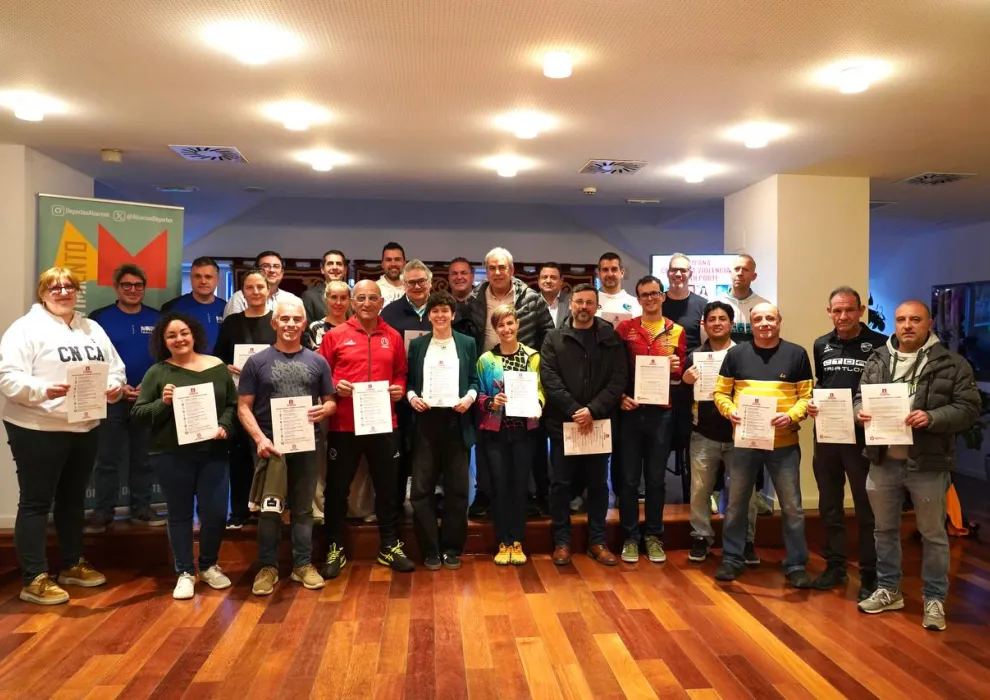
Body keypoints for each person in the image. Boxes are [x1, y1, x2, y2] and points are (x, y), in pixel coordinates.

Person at [0, 267, 125, 605]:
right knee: (36, 502)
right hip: (38, 427)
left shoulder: (92, 328)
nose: (62, 291)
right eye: (54, 287)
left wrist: (114, 387)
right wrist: (43, 390)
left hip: (84, 425)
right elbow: (8, 378)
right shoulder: (25, 329)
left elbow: (115, 368)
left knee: (73, 499)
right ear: (42, 293)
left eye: (69, 286)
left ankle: (71, 565)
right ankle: (34, 578)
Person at [855, 300, 980, 631]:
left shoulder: (952, 363)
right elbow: (859, 397)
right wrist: (858, 411)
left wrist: (933, 417)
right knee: (884, 530)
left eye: (915, 319)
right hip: (882, 460)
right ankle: (889, 590)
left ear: (929, 323)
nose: (907, 325)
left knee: (933, 534)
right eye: (901, 319)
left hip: (928, 463)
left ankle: (934, 599)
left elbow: (969, 409)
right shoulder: (878, 359)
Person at [131, 312, 237, 600]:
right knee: (179, 514)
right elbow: (139, 414)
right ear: (163, 341)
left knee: (215, 513)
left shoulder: (217, 367)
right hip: (171, 454)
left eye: (184, 333)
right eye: (171, 335)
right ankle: (185, 572)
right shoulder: (157, 373)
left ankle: (209, 565)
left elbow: (232, 404)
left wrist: (225, 426)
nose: (179, 339)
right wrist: (163, 403)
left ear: (194, 335)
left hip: (213, 452)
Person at [238, 299, 336, 597]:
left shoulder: (318, 362)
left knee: (304, 509)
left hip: (307, 445)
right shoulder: (257, 362)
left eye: (296, 319)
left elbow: (330, 402)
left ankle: (302, 564)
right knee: (270, 510)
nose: (290, 324)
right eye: (284, 319)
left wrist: (326, 410)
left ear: (304, 324)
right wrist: (260, 439)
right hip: (271, 449)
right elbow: (243, 407)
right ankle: (267, 567)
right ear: (274, 323)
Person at [712, 302, 813, 587]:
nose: (764, 323)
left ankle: (796, 564)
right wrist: (729, 410)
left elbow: (807, 397)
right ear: (751, 323)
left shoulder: (797, 354)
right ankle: (732, 558)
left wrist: (791, 416)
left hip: (784, 444)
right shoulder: (736, 354)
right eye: (758, 319)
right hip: (745, 442)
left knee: (792, 507)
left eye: (770, 318)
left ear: (780, 321)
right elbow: (721, 393)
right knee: (736, 504)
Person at [319, 280, 414, 578]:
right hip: (344, 425)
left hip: (384, 423)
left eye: (373, 298)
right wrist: (335, 385)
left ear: (381, 302)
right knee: (337, 489)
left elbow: (401, 372)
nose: (367, 303)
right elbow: (321, 375)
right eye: (360, 298)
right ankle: (335, 546)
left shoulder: (393, 336)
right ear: (352, 302)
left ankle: (389, 544)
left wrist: (399, 388)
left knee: (388, 488)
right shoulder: (335, 335)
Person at [806, 286, 887, 600]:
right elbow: (822, 383)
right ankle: (835, 565)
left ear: (861, 311)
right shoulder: (821, 344)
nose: (843, 316)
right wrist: (814, 402)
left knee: (866, 507)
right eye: (837, 311)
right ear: (829, 312)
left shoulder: (880, 344)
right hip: (827, 435)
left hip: (863, 437)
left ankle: (869, 572)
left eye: (849, 310)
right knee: (829, 503)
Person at [540, 284, 628, 567]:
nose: (584, 307)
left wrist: (593, 410)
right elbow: (549, 378)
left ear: (597, 306)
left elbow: (619, 378)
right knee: (560, 484)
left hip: (598, 424)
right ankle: (562, 542)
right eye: (579, 302)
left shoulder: (610, 337)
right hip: (564, 423)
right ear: (571, 304)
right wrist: (574, 410)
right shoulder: (554, 337)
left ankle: (597, 541)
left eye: (590, 303)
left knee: (599, 485)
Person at [463, 247, 553, 518]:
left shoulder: (532, 299)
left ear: (511, 270)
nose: (497, 272)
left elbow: (548, 336)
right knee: (487, 440)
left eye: (502, 267)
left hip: (524, 377)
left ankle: (529, 494)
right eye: (492, 268)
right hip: (488, 375)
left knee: (528, 440)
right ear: (486, 271)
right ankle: (485, 493)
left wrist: (537, 371)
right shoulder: (473, 300)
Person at [614, 276, 686, 564]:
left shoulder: (676, 331)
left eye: (654, 293)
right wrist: (620, 396)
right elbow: (615, 369)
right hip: (630, 412)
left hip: (661, 413)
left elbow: (679, 375)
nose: (650, 299)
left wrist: (677, 367)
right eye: (644, 295)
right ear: (638, 299)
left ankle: (654, 535)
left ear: (663, 296)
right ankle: (630, 537)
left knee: (656, 480)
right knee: (629, 480)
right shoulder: (625, 329)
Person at [86, 264, 163, 533]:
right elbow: (92, 358)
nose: (132, 290)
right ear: (116, 287)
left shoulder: (158, 318)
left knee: (143, 458)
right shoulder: (99, 319)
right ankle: (103, 511)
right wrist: (117, 387)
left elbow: (165, 357)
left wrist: (148, 387)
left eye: (138, 285)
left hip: (146, 399)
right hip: (110, 399)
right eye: (126, 285)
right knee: (107, 459)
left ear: (144, 288)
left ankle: (141, 508)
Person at [681, 301, 760, 564]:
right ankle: (701, 537)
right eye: (712, 319)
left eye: (722, 318)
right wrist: (685, 382)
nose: (717, 323)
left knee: (744, 493)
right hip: (703, 434)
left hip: (740, 435)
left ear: (731, 323)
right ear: (704, 324)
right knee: (699, 491)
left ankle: (745, 540)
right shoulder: (694, 357)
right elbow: (682, 399)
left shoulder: (746, 354)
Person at [406, 291, 479, 570]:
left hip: (456, 420)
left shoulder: (467, 343)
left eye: (444, 311)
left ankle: (451, 548)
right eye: (435, 311)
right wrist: (412, 397)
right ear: (429, 316)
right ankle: (430, 549)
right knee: (421, 489)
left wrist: (469, 398)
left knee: (457, 489)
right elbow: (410, 382)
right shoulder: (418, 345)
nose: (440, 315)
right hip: (426, 421)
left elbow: (473, 380)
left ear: (453, 314)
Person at [477, 304, 545, 565]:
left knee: (519, 487)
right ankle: (502, 541)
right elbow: (479, 394)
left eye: (509, 323)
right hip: (495, 433)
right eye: (500, 325)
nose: (506, 329)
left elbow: (541, 389)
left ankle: (517, 541)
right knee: (499, 487)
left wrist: (539, 404)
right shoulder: (486, 360)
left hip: (524, 433)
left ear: (518, 324)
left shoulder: (533, 357)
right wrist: (491, 402)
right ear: (495, 329)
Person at [213, 269, 277, 529]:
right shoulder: (232, 323)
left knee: (268, 456)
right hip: (239, 397)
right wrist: (226, 366)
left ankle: (267, 509)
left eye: (260, 287)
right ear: (242, 292)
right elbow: (218, 357)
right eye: (250, 288)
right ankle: (239, 510)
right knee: (238, 457)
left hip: (270, 400)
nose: (256, 292)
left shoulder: (277, 321)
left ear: (268, 290)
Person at [381, 259, 434, 508]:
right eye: (411, 282)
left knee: (431, 452)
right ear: (403, 285)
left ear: (430, 283)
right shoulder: (390, 313)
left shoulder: (442, 309)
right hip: (400, 395)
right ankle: (396, 504)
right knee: (400, 451)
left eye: (421, 281)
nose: (417, 286)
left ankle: (430, 503)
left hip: (436, 395)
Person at [664, 254, 709, 502]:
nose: (678, 274)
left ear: (690, 273)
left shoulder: (702, 304)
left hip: (693, 381)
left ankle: (700, 492)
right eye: (674, 270)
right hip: (661, 382)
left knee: (694, 438)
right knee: (662, 438)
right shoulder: (658, 302)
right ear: (668, 273)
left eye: (683, 270)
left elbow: (707, 343)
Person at [161, 256, 227, 350]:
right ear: (191, 279)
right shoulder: (172, 308)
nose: (203, 281)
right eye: (197, 276)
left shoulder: (226, 308)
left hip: (220, 360)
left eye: (208, 277)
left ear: (217, 280)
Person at [222, 251, 303, 319]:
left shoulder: (293, 300)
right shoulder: (239, 298)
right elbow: (232, 329)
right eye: (266, 266)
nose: (272, 270)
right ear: (256, 270)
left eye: (276, 266)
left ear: (282, 273)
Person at [718, 254, 769, 343]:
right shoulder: (716, 303)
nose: (740, 273)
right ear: (730, 273)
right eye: (736, 269)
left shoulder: (764, 306)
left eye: (745, 270)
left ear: (754, 276)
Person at [302, 249, 348, 324]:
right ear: (322, 269)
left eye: (339, 264)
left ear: (345, 270)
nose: (335, 267)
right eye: (330, 264)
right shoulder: (309, 296)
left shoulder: (353, 295)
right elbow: (306, 328)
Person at [305, 280, 350, 351]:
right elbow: (323, 355)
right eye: (334, 297)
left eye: (343, 298)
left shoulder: (356, 326)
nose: (338, 302)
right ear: (326, 300)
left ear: (350, 301)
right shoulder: (317, 327)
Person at [596, 252, 641, 322]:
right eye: (605, 270)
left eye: (614, 269)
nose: (610, 274)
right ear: (599, 274)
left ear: (622, 273)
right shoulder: (590, 302)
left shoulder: (636, 304)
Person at [538, 262, 571, 329]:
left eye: (553, 278)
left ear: (561, 281)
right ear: (538, 281)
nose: (548, 281)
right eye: (544, 277)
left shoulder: (571, 302)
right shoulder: (530, 302)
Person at [378, 242, 407, 306]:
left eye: (397, 259)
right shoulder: (374, 288)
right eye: (388, 260)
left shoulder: (414, 288)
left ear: (404, 263)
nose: (393, 264)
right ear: (382, 264)